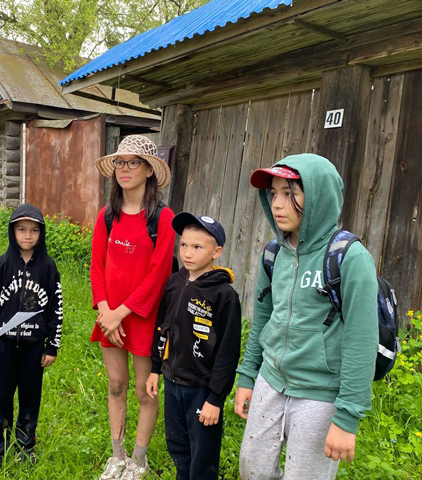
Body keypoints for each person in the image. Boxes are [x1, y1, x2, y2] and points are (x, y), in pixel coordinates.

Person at [234, 154, 378, 480]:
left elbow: (361, 338)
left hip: (320, 392)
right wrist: (247, 375)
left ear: (318, 196)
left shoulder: (349, 257)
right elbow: (263, 318)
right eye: (274, 193)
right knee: (252, 469)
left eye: (291, 193)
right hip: (271, 379)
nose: (277, 204)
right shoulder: (274, 253)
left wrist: (347, 417)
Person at [90, 135, 175, 479]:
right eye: (120, 163)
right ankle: (117, 455)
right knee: (115, 384)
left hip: (142, 318)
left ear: (149, 171)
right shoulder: (106, 216)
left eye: (133, 162)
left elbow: (158, 276)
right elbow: (96, 266)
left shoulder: (163, 218)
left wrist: (120, 313)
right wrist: (105, 310)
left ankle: (139, 459)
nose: (124, 169)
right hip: (109, 316)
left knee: (144, 389)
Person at [146, 212, 241, 480]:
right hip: (173, 382)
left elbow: (228, 352)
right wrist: (156, 368)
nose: (187, 253)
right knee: (178, 447)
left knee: (203, 454)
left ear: (216, 251)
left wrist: (215, 398)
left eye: (197, 247)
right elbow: (162, 325)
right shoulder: (175, 282)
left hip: (202, 389)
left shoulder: (224, 296)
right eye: (183, 245)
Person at [0, 203, 63, 474]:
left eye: (34, 230)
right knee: (1, 396)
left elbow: (56, 309)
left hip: (33, 348)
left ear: (41, 233)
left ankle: (26, 445)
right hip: (4, 346)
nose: (28, 236)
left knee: (30, 397)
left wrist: (52, 345)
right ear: (12, 232)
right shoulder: (1, 266)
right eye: (21, 230)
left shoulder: (48, 268)